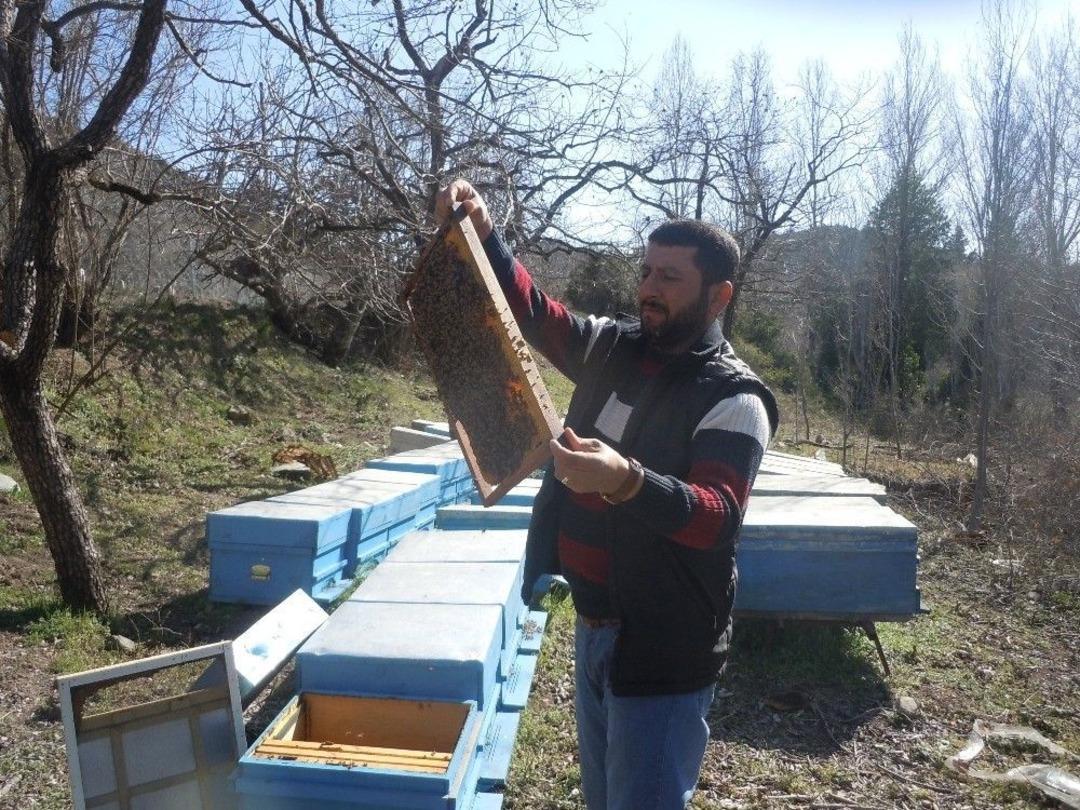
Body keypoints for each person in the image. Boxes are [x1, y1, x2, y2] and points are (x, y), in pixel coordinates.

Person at [435, 180, 779, 810]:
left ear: (719, 295)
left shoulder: (736, 399)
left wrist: (627, 480)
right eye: (647, 271)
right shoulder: (615, 347)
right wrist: (487, 236)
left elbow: (716, 517)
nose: (649, 288)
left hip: (664, 647)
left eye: (671, 277)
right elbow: (538, 315)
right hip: (596, 629)